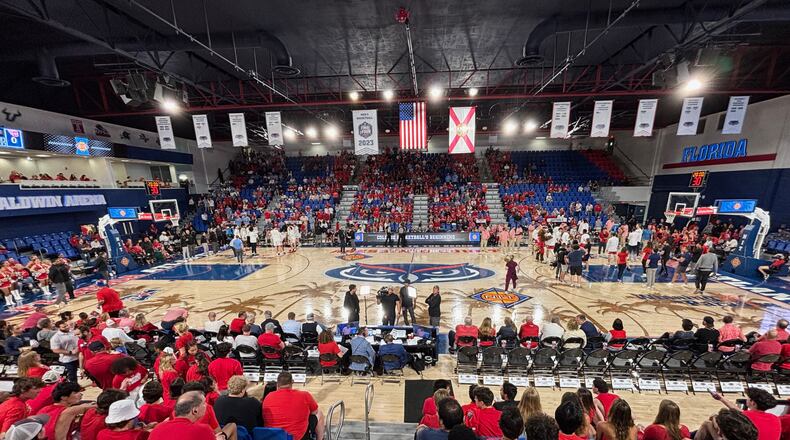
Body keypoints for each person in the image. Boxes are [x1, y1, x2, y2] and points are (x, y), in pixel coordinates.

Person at [262, 372, 324, 440]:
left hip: (273, 436)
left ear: (277, 384)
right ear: (292, 382)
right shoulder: (304, 395)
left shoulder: (268, 397)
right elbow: (315, 412)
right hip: (297, 436)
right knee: (319, 414)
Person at [705, 387, 780, 440]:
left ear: (753, 403)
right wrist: (721, 399)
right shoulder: (775, 418)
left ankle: (693, 435)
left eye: (748, 398)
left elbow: (739, 412)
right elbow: (738, 410)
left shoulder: (746, 415)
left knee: (710, 422)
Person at [149, 391, 220, 440]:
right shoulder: (203, 430)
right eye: (204, 403)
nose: (206, 405)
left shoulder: (157, 429)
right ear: (195, 410)